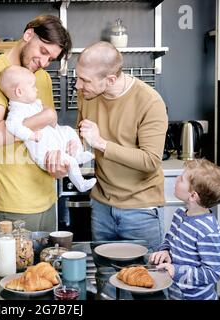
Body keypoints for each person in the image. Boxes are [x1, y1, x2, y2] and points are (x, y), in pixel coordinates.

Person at [0, 15, 72, 231]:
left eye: (50, 59)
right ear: (29, 34)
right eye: (43, 52)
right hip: (14, 201)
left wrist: (58, 167)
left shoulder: (42, 77)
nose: (44, 63)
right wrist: (44, 117)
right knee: (18, 266)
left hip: (47, 195)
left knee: (46, 266)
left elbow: (48, 132)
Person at [74, 41, 168, 252]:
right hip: (101, 206)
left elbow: (151, 161)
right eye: (77, 76)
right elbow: (81, 140)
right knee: (105, 278)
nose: (78, 85)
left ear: (111, 79)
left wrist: (101, 143)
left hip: (140, 210)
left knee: (143, 280)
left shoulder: (149, 101)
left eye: (84, 80)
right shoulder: (87, 95)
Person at [0, 65, 97, 192]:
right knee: (70, 162)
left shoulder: (32, 103)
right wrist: (30, 135)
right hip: (46, 155)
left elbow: (50, 116)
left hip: (54, 141)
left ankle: (78, 154)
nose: (36, 90)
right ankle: (81, 184)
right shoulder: (16, 111)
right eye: (33, 86)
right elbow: (12, 126)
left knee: (69, 130)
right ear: (19, 92)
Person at [149, 159, 220, 300]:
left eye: (181, 179)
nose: (177, 179)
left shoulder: (209, 233)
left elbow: (212, 273)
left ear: (193, 196)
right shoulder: (180, 214)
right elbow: (170, 239)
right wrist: (165, 251)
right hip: (175, 294)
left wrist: (175, 270)